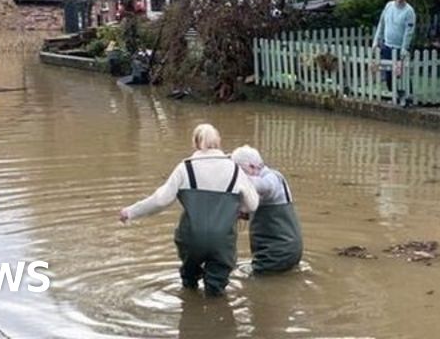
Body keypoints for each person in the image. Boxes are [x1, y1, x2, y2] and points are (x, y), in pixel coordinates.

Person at [119, 124, 258, 296]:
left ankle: (189, 300)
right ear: (218, 142)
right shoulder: (235, 170)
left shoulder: (185, 167)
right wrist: (237, 208)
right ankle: (216, 313)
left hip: (191, 238)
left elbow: (160, 200)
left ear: (195, 143)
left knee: (189, 280)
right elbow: (253, 205)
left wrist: (131, 212)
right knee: (216, 288)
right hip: (222, 240)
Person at [230, 145, 303, 273]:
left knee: (248, 282)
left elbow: (266, 186)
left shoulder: (272, 177)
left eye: (240, 172)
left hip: (277, 253)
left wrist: (237, 181)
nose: (238, 175)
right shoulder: (264, 180)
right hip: (285, 250)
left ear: (252, 167)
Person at [372, 0, 416, 99]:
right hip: (387, 46)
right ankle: (394, 95)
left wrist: (404, 48)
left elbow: (409, 32)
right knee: (388, 75)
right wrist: (376, 40)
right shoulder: (388, 6)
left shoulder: (409, 11)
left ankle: (409, 96)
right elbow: (381, 23)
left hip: (400, 48)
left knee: (402, 73)